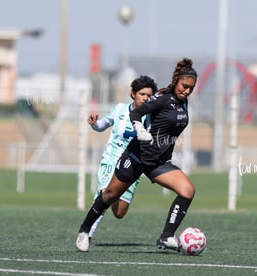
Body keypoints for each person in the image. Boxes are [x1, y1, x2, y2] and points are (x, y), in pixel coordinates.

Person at [76, 58, 198, 252]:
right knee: (108, 195)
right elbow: (135, 112)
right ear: (177, 82)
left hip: (158, 163)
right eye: (184, 86)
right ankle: (84, 231)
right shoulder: (162, 98)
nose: (187, 91)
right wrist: (139, 128)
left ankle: (166, 237)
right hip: (137, 157)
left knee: (187, 190)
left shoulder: (184, 102)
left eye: (191, 88)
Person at [86, 75, 158, 243]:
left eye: (149, 95)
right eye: (142, 94)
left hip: (131, 166)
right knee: (103, 195)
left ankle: (112, 195)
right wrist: (94, 124)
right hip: (111, 161)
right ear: (133, 94)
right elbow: (102, 126)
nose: (146, 98)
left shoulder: (150, 117)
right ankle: (86, 234)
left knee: (119, 213)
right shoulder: (119, 109)